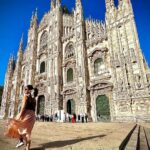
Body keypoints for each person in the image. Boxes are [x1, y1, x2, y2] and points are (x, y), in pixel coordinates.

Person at [4, 85, 38, 150]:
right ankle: (27, 148)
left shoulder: (25, 97)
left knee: (15, 125)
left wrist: (20, 115)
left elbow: (23, 107)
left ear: (30, 90)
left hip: (26, 114)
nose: (24, 90)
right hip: (32, 116)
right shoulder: (34, 99)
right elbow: (34, 109)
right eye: (24, 89)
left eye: (26, 89)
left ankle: (21, 140)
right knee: (28, 132)